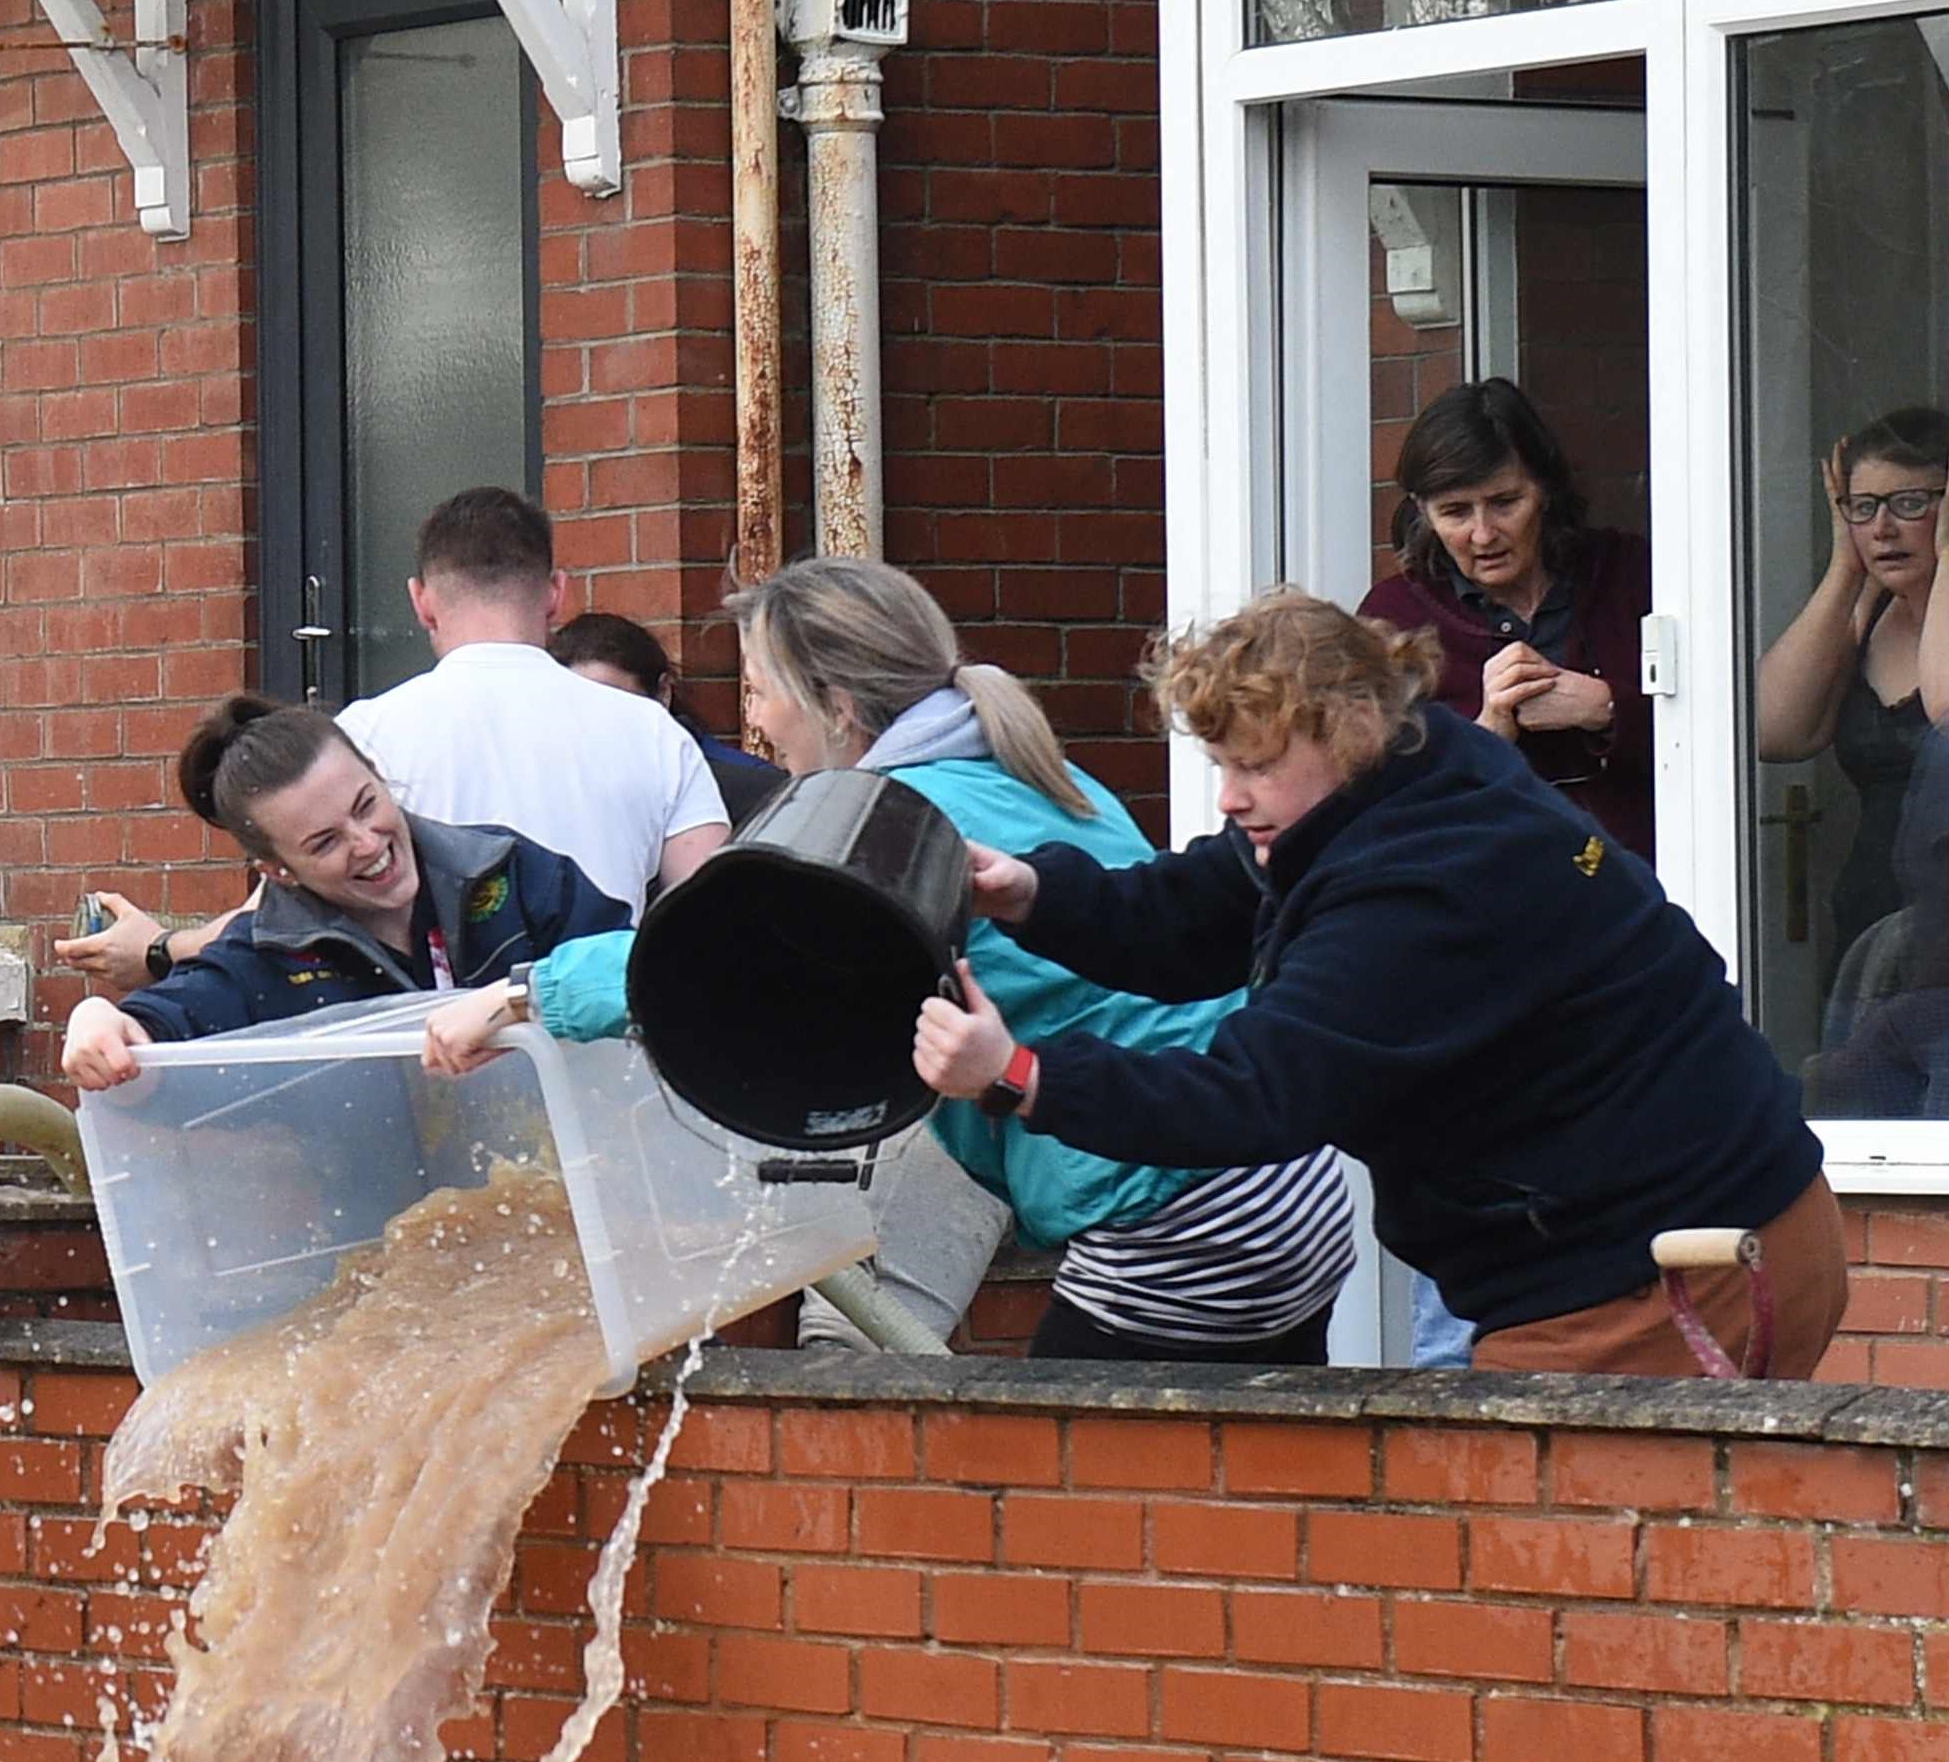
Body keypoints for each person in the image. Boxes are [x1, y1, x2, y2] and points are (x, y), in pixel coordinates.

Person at [436, 559, 1358, 1363]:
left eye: (760, 691)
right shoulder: (1024, 765)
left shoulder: (883, 818)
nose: (754, 726)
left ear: (835, 706)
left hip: (1179, 1221)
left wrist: (518, 1000)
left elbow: (711, 961)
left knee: (1063, 1501)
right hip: (1281, 1188)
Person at [912, 590, 1843, 1381]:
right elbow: (1198, 908)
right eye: (1223, 764)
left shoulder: (1423, 891)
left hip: (1671, 1270)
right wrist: (1029, 893)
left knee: (1535, 1576)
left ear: (1350, 729)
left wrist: (1021, 1074)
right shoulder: (1408, 774)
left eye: (1257, 764)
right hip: (1696, 1233)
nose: (1230, 797)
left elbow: (1254, 1095)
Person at [60, 696, 622, 1087]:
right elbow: (157, 1028)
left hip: (568, 1198)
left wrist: (519, 999)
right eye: (325, 842)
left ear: (379, 775)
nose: (366, 842)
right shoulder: (262, 956)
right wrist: (96, 1020)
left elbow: (635, 972)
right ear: (279, 871)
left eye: (366, 804)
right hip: (375, 1232)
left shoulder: (511, 873)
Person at [334, 489, 728, 914]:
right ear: (556, 593)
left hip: (429, 982)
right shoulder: (653, 731)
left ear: (421, 602)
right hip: (603, 978)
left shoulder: (359, 736)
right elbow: (710, 914)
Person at [1754, 407, 1949, 1117]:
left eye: (1910, 503)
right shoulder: (1866, 617)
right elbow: (1775, 730)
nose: (1882, 527)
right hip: (1867, 932)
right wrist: (1843, 566)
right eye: (1862, 507)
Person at [1359, 378, 1652, 859]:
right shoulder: (1394, 619)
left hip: (1644, 890)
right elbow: (1374, 803)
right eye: (1455, 512)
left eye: (1504, 503)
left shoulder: (1629, 574)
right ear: (1423, 513)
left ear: (1545, 490)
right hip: (1482, 904)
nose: (1482, 535)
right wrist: (1487, 732)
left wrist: (1607, 707)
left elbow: (1720, 733)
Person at [549, 606, 786, 833]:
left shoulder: (753, 789)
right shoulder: (552, 784)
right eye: (576, 703)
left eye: (613, 701)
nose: (595, 719)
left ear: (662, 693)